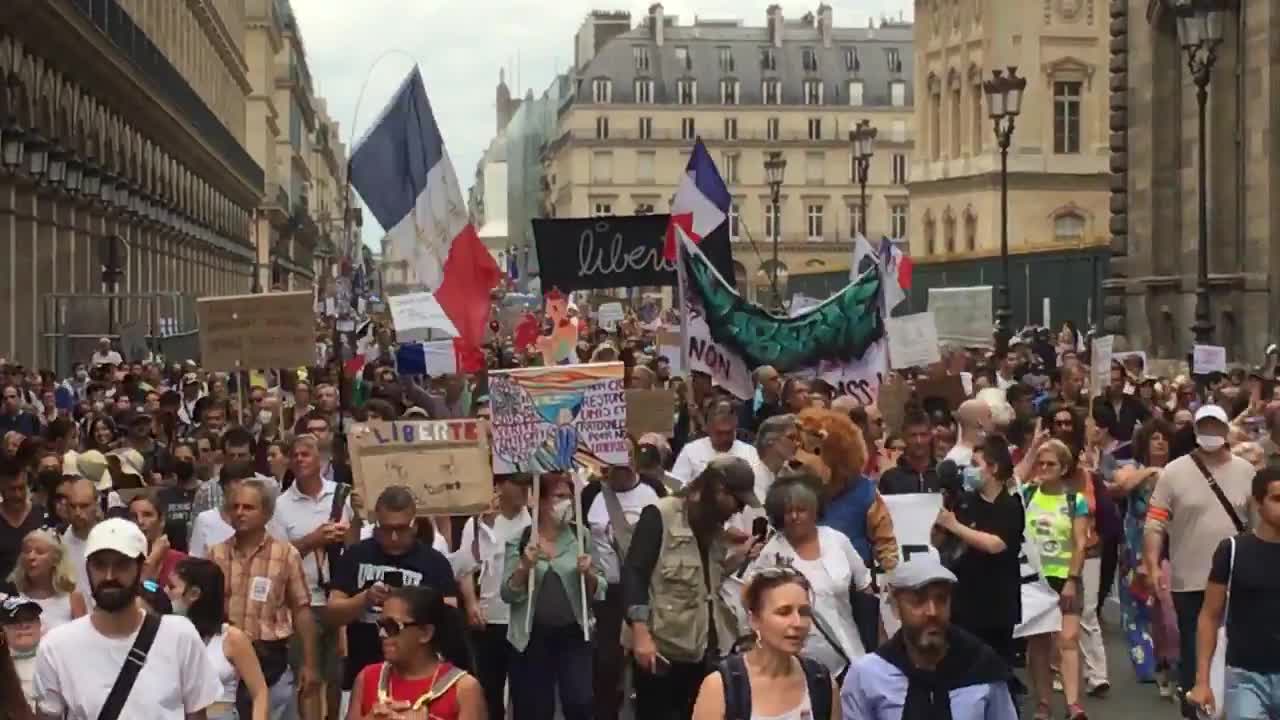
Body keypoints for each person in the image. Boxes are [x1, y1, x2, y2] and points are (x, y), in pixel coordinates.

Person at [31, 518, 223, 719]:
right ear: (87, 569)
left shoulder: (180, 636)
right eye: (99, 565)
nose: (109, 576)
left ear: (141, 568)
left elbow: (197, 714)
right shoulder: (56, 646)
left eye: (122, 565)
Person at [622, 456, 762, 720]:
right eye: (738, 501)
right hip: (661, 651)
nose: (739, 510)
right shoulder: (660, 515)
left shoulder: (713, 525)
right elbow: (635, 574)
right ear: (719, 490)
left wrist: (740, 556)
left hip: (702, 649)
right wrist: (640, 635)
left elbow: (707, 579)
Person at [1144, 404, 1254, 717]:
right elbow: (1155, 523)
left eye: (1215, 427)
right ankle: (1196, 705)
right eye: (1203, 427)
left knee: (1236, 647)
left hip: (1238, 578)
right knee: (1195, 649)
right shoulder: (1174, 473)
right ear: (1194, 431)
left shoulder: (1247, 472)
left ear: (1226, 431)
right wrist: (1152, 565)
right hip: (1189, 579)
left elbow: (1260, 525)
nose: (1210, 434)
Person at [840, 555, 1018, 720]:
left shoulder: (982, 667)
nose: (932, 612)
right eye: (918, 600)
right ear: (895, 605)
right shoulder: (868, 675)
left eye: (941, 599)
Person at [328, 486, 460, 702]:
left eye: (401, 528)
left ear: (414, 525)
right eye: (386, 529)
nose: (394, 536)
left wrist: (411, 605)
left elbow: (450, 616)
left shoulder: (434, 562)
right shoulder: (356, 555)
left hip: (419, 677)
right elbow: (332, 613)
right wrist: (365, 599)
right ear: (376, 524)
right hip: (363, 669)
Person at [208, 478, 319, 720]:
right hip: (226, 667)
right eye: (235, 507)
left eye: (248, 507)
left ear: (267, 513)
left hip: (271, 661)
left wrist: (310, 664)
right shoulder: (215, 554)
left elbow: (301, 609)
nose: (240, 513)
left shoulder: (286, 554)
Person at [746, 469, 871, 678]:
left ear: (815, 510)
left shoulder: (837, 540)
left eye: (801, 510)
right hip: (797, 666)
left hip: (850, 659)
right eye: (788, 511)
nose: (794, 517)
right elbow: (750, 604)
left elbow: (865, 589)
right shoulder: (771, 555)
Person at [501, 473, 604, 720]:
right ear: (542, 501)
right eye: (559, 496)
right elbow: (508, 594)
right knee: (535, 708)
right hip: (531, 636)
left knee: (580, 702)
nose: (566, 503)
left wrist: (588, 573)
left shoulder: (581, 537)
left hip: (574, 634)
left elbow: (600, 589)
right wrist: (524, 566)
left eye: (570, 497)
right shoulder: (522, 540)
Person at [1187, 466, 1280, 718]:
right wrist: (1202, 681)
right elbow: (1209, 615)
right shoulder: (1233, 550)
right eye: (1277, 499)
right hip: (1244, 677)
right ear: (1258, 503)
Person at [691, 568, 838, 720]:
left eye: (804, 612)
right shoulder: (722, 687)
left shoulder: (821, 682)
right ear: (754, 619)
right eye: (783, 612)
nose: (797, 623)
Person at [583, 443, 661, 720]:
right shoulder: (591, 494)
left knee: (647, 663)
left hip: (645, 589)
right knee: (606, 666)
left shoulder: (654, 491)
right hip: (606, 593)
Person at [937, 436, 1023, 667]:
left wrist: (954, 525)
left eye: (976, 465)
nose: (970, 471)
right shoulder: (965, 502)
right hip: (964, 602)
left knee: (995, 668)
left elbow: (996, 544)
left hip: (997, 605)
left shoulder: (1010, 506)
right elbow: (945, 542)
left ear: (993, 468)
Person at [1022, 439, 1091, 720]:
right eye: (1041, 463)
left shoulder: (1075, 500)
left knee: (1068, 638)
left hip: (1065, 576)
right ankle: (1043, 702)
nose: (1045, 468)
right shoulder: (1026, 494)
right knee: (1038, 644)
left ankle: (1074, 704)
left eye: (1051, 464)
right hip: (1034, 578)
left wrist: (1072, 579)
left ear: (1063, 468)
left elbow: (1080, 543)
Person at [1110, 419, 1179, 693]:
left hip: (1169, 544)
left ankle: (1168, 658)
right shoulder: (1131, 467)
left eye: (1165, 438)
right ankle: (1146, 664)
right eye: (1155, 438)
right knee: (1135, 607)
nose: (1160, 442)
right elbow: (1121, 486)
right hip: (1134, 543)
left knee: (1166, 606)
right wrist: (1152, 471)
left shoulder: (1180, 470)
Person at [348, 586, 485, 720]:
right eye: (381, 626)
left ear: (425, 633)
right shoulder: (367, 677)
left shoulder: (463, 688)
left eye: (392, 626)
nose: (382, 634)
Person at [165, 557, 270, 720]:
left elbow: (259, 692)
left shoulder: (231, 638)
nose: (165, 591)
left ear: (194, 594)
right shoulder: (166, 633)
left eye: (172, 587)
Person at [6, 528, 86, 632]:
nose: (31, 557)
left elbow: (82, 640)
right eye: (27, 551)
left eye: (40, 552)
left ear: (55, 558)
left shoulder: (74, 598)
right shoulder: (11, 597)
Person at [671, 400, 761, 486]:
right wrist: (695, 487)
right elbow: (674, 485)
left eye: (728, 433)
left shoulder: (750, 453)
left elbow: (760, 489)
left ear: (735, 428)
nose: (724, 438)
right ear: (708, 428)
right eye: (719, 433)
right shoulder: (690, 450)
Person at [127, 491, 187, 588]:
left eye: (147, 515)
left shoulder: (180, 562)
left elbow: (153, 596)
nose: (140, 521)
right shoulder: (125, 562)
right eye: (134, 516)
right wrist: (152, 560)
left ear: (162, 520)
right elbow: (142, 595)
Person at [0, 460, 46, 583]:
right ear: (2, 489)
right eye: (12, 489)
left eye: (21, 488)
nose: (18, 495)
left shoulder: (42, 515)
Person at [879, 410, 939, 495]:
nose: (919, 441)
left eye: (923, 435)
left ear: (930, 436)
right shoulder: (890, 478)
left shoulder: (942, 475)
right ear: (904, 437)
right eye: (913, 435)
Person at [1, 593, 42, 709]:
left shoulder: (56, 657)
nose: (23, 625)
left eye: (29, 619)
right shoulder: (3, 665)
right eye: (14, 621)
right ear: (3, 628)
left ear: (39, 624)